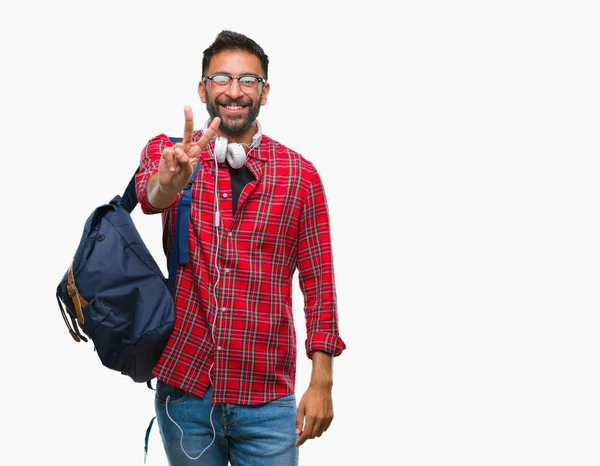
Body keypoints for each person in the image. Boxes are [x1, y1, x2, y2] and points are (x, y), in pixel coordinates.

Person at [135, 30, 346, 465]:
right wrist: (167, 184)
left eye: (248, 80)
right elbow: (150, 195)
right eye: (222, 79)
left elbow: (319, 282)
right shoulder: (171, 155)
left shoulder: (300, 177)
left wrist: (321, 380)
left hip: (267, 399)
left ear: (264, 92)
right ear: (203, 88)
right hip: (187, 394)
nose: (234, 92)